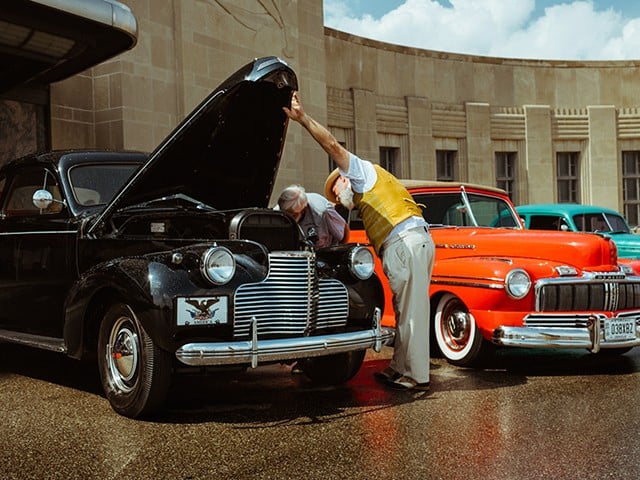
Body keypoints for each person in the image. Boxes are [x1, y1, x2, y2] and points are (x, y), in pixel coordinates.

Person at [283, 91, 435, 391]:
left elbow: (331, 144)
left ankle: (416, 377)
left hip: (405, 241)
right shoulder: (370, 188)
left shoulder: (360, 173)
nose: (337, 198)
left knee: (413, 311)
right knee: (405, 309)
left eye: (335, 191)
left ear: (343, 179)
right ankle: (399, 367)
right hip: (408, 243)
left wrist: (302, 119)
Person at [277, 184, 349, 249]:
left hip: (323, 254)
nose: (289, 218)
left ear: (303, 209)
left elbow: (344, 232)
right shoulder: (277, 213)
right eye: (285, 213)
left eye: (293, 214)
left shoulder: (322, 211)